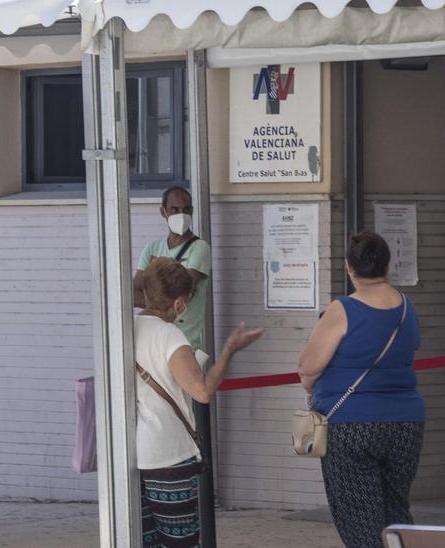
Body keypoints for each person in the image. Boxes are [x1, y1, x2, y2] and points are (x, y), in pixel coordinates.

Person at [298, 231, 425, 548]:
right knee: (395, 512)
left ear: (348, 267)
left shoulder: (342, 310)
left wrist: (313, 387)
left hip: (351, 425)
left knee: (360, 521)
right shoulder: (407, 308)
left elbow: (308, 367)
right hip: (406, 423)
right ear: (388, 263)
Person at [134, 257, 263, 548]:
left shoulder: (127, 327)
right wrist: (229, 350)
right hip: (169, 457)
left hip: (134, 455)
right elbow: (201, 392)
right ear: (179, 303)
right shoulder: (170, 336)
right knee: (181, 542)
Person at [134, 186, 212, 353]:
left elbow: (184, 292)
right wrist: (165, 302)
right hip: (154, 340)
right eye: (174, 210)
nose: (181, 215)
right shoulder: (152, 248)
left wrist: (152, 299)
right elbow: (134, 293)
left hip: (184, 342)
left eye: (186, 209)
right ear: (163, 212)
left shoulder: (199, 248)